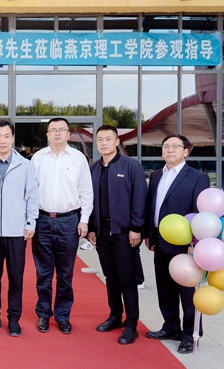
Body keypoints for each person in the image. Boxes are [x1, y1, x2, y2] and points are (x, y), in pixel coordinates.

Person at [143, 134, 210, 354]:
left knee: (188, 292)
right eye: (166, 146)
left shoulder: (198, 177)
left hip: (185, 245)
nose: (170, 150)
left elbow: (201, 212)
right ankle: (171, 327)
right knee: (165, 288)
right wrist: (149, 235)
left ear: (186, 151)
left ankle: (190, 335)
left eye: (175, 146)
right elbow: (153, 207)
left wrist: (195, 242)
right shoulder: (156, 175)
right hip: (160, 242)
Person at [0, 120, 39, 337]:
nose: (2, 140)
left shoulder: (24, 165)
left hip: (16, 231)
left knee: (16, 277)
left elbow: (32, 195)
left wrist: (30, 222)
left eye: (6, 136)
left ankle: (13, 318)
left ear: (12, 138)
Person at [30, 117, 93, 334]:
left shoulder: (78, 159)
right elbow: (30, 191)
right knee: (43, 273)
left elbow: (86, 192)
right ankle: (43, 314)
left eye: (61, 129)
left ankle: (63, 316)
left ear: (68, 134)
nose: (57, 133)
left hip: (69, 221)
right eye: (53, 130)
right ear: (47, 135)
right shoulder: (38, 158)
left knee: (66, 274)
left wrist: (84, 220)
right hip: (42, 220)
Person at [86, 125, 147, 344]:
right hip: (102, 232)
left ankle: (131, 324)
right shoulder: (93, 169)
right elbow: (88, 200)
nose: (103, 143)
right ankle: (115, 316)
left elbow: (140, 198)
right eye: (100, 140)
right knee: (110, 277)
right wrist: (91, 228)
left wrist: (136, 228)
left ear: (117, 141)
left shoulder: (131, 166)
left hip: (124, 232)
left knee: (126, 279)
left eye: (108, 139)